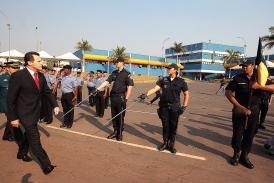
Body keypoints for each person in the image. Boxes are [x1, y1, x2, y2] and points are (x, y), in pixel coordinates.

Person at [7, 51, 60, 175]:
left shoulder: (40, 76)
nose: (42, 63)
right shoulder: (18, 76)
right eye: (39, 61)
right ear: (30, 62)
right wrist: (13, 118)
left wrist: (55, 105)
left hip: (35, 113)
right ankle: (46, 165)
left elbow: (47, 92)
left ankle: (22, 153)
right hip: (24, 113)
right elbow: (10, 99)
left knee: (28, 135)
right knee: (35, 138)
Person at [139, 63, 189, 153]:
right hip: (164, 106)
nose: (168, 69)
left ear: (175, 70)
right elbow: (155, 88)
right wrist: (145, 94)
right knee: (165, 125)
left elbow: (186, 94)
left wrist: (184, 106)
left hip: (175, 107)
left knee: (173, 127)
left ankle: (171, 145)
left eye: (170, 68)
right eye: (168, 68)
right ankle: (165, 143)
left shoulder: (181, 81)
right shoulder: (163, 79)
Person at [225, 59, 262, 169]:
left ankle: (244, 156)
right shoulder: (238, 78)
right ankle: (236, 155)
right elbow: (228, 92)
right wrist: (240, 107)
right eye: (243, 66)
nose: (244, 67)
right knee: (237, 133)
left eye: (246, 66)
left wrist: (259, 86)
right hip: (239, 109)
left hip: (254, 110)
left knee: (250, 134)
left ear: (252, 66)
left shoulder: (260, 77)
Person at [97, 57, 134, 141]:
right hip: (113, 97)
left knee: (120, 116)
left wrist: (126, 99)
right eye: (115, 62)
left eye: (117, 62)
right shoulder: (114, 72)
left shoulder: (127, 73)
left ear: (122, 63)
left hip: (121, 97)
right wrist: (98, 88)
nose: (116, 63)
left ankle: (120, 134)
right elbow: (107, 81)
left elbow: (130, 87)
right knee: (114, 116)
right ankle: (115, 131)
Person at [1, 62, 20, 141]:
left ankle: (6, 136)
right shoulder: (2, 78)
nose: (16, 70)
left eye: (17, 68)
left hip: (14, 103)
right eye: (14, 68)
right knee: (12, 118)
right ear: (7, 68)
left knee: (10, 119)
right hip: (5, 102)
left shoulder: (17, 78)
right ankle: (13, 136)